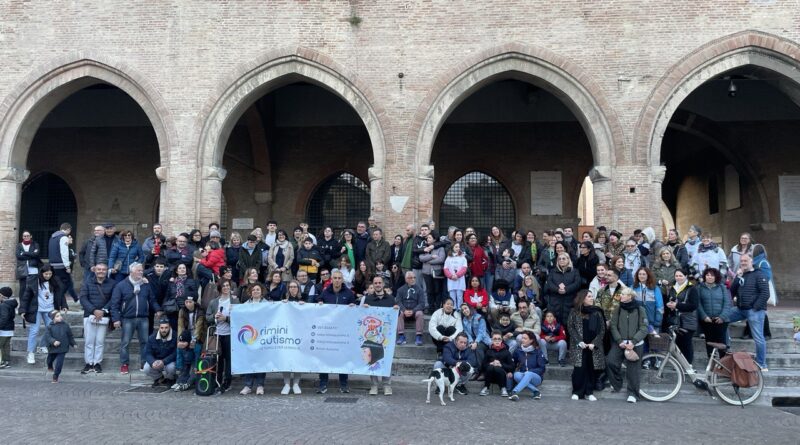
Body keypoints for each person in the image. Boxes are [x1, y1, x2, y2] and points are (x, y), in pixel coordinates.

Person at [722, 254, 770, 370]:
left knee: (758, 338)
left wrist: (755, 307)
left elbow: (765, 293)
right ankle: (727, 345)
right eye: (741, 261)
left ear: (751, 261)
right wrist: (738, 276)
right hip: (740, 309)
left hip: (755, 311)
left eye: (745, 260)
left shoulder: (759, 274)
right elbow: (732, 291)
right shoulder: (742, 275)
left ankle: (761, 364)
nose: (743, 263)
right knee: (722, 319)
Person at [111, 263, 160, 374]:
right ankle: (124, 364)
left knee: (145, 342)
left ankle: (144, 362)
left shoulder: (145, 285)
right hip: (127, 318)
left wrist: (157, 309)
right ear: (131, 272)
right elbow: (114, 304)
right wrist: (116, 319)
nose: (141, 272)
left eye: (141, 271)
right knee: (125, 342)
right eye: (138, 271)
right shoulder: (121, 285)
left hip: (143, 318)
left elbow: (152, 299)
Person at [316, 269, 357, 393]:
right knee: (324, 357)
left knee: (343, 358)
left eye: (339, 278)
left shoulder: (349, 293)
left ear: (342, 280)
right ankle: (323, 384)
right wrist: (319, 303)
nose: (337, 280)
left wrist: (353, 306)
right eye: (335, 278)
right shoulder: (325, 293)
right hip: (327, 332)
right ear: (331, 279)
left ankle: (343, 385)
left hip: (343, 332)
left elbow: (355, 311)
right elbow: (317, 305)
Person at [605, 288, 648, 403]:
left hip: (636, 343)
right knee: (610, 361)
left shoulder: (640, 309)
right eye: (621, 294)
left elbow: (644, 328)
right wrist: (619, 341)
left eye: (623, 294)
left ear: (630, 296)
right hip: (620, 342)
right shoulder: (617, 309)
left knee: (633, 370)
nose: (621, 296)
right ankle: (617, 383)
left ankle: (633, 394)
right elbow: (613, 326)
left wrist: (633, 342)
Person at [20, 264, 65, 364]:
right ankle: (30, 353)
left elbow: (60, 294)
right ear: (41, 273)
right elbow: (26, 296)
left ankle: (42, 345)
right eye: (46, 274)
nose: (48, 276)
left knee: (51, 328)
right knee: (34, 330)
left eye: (50, 274)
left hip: (50, 309)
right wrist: (22, 309)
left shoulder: (55, 281)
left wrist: (64, 305)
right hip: (37, 309)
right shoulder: (34, 281)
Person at [362, 276, 399, 395]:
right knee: (373, 359)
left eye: (379, 283)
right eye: (375, 283)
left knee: (386, 359)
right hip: (372, 335)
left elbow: (394, 318)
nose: (377, 284)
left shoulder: (391, 299)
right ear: (373, 284)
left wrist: (396, 310)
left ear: (383, 284)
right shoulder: (368, 299)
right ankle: (374, 385)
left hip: (386, 335)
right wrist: (363, 309)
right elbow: (362, 317)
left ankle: (387, 385)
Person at [568, 290, 605, 401]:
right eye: (589, 296)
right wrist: (579, 341)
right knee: (579, 369)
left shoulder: (597, 312)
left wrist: (595, 343)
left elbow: (602, 330)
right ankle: (577, 392)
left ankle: (589, 392)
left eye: (592, 296)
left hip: (592, 346)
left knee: (591, 369)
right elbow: (571, 327)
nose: (591, 298)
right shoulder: (574, 312)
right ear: (583, 298)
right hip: (580, 346)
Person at [78, 263, 115, 374]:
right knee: (89, 341)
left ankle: (97, 363)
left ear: (107, 271)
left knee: (100, 341)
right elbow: (83, 298)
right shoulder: (87, 282)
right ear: (94, 270)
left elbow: (113, 299)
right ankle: (89, 363)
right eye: (99, 269)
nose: (101, 271)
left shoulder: (112, 283)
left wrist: (103, 311)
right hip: (89, 315)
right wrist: (94, 310)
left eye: (103, 269)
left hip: (104, 317)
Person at [206, 279, 239, 391]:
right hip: (217, 334)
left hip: (230, 334)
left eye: (227, 285)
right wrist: (215, 317)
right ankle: (217, 380)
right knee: (218, 359)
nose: (226, 288)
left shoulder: (235, 301)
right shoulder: (214, 302)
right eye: (223, 286)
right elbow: (207, 317)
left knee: (228, 359)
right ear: (220, 288)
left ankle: (227, 382)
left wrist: (226, 319)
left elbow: (239, 318)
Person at [172, 295, 206, 391]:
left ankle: (191, 378)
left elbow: (199, 327)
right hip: (186, 335)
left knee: (196, 350)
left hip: (198, 337)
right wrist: (180, 340)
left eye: (190, 302)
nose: (188, 304)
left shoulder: (199, 311)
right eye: (186, 302)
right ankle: (181, 377)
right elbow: (180, 326)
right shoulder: (182, 311)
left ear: (194, 302)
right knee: (180, 350)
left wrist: (193, 340)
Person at [664, 269, 698, 365]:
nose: (678, 278)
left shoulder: (692, 288)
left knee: (686, 344)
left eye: (681, 276)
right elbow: (671, 300)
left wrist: (677, 305)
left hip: (688, 321)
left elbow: (693, 305)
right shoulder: (672, 288)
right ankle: (680, 365)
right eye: (676, 276)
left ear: (686, 276)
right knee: (678, 344)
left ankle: (688, 366)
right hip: (676, 320)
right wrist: (669, 305)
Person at [697, 267, 731, 358]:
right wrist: (704, 316)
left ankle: (723, 363)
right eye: (707, 275)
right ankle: (711, 363)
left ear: (716, 277)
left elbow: (727, 303)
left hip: (721, 320)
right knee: (709, 342)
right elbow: (698, 304)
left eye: (712, 275)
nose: (709, 277)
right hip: (707, 320)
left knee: (722, 343)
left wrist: (722, 317)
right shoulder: (700, 287)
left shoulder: (722, 287)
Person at [240, 283, 268, 395]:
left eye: (258, 289)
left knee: (261, 360)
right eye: (253, 290)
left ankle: (260, 385)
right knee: (249, 360)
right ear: (250, 292)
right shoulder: (245, 305)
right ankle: (248, 385)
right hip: (249, 335)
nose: (256, 291)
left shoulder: (268, 305)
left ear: (261, 291)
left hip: (262, 336)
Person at [508, 330, 546, 401]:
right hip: (523, 375)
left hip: (536, 377)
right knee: (516, 375)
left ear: (531, 340)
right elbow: (513, 364)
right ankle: (536, 391)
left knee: (528, 374)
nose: (522, 340)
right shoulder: (518, 351)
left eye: (525, 338)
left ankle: (515, 392)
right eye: (522, 338)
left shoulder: (538, 351)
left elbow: (542, 368)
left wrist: (530, 372)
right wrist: (509, 371)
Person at [544, 253, 581, 325]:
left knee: (568, 323)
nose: (561, 260)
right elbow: (549, 283)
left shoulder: (574, 271)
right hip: (555, 301)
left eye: (564, 258)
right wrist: (557, 289)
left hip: (570, 301)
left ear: (568, 260)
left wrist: (566, 289)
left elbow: (577, 283)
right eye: (559, 259)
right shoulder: (553, 271)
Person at [42, 310, 76, 383]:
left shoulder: (65, 325)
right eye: (57, 316)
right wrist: (53, 341)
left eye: (60, 315)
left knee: (59, 363)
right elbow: (47, 336)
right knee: (50, 359)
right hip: (53, 347)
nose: (60, 317)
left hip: (63, 347)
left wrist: (73, 343)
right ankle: (50, 366)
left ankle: (56, 376)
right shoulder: (49, 327)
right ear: (53, 318)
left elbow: (70, 335)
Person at [143, 318, 178, 387]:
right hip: (156, 361)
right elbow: (147, 353)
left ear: (169, 327)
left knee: (171, 368)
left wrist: (164, 361)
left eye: (166, 327)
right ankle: (159, 378)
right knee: (146, 368)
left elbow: (176, 353)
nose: (164, 330)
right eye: (162, 328)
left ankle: (171, 379)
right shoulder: (152, 338)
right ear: (159, 328)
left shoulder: (175, 336)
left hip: (169, 361)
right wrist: (152, 362)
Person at [395, 271, 426, 346]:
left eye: (414, 277)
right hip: (404, 311)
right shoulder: (400, 290)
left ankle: (419, 336)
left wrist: (413, 311)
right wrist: (404, 310)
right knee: (399, 312)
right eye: (410, 278)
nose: (413, 279)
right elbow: (398, 302)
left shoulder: (420, 290)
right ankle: (401, 336)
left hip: (415, 311)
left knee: (420, 313)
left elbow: (422, 304)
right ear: (406, 279)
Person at [460, 303, 490, 380]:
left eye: (466, 308)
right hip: (473, 340)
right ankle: (475, 371)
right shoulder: (464, 320)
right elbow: (467, 332)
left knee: (478, 348)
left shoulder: (479, 317)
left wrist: (476, 342)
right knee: (469, 349)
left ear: (470, 308)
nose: (464, 311)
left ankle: (482, 371)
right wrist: (471, 342)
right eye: (463, 310)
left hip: (483, 340)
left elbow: (482, 333)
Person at [163, 263, 198, 329]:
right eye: (180, 268)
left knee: (185, 329)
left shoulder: (192, 281)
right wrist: (164, 306)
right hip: (173, 308)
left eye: (184, 268)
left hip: (185, 308)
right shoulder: (172, 282)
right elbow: (167, 295)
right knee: (174, 329)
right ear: (176, 271)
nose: (182, 269)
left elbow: (195, 295)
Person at [481, 331, 514, 396]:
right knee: (491, 367)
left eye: (499, 339)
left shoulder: (507, 352)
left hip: (502, 375)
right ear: (492, 340)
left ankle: (503, 388)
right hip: (490, 376)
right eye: (495, 339)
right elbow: (483, 366)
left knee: (497, 367)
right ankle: (486, 387)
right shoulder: (488, 351)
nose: (497, 341)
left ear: (502, 340)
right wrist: (490, 363)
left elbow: (512, 367)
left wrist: (501, 365)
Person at [631, 267, 663, 335]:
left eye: (644, 274)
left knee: (653, 343)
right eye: (639, 274)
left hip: (652, 322)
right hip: (637, 322)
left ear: (648, 275)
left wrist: (658, 321)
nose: (641, 276)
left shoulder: (655, 288)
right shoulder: (633, 287)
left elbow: (660, 306)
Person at [47, 223, 73, 305]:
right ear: (68, 229)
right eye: (69, 231)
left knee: (56, 284)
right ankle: (58, 302)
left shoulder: (52, 237)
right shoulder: (63, 237)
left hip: (52, 264)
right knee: (66, 284)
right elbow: (64, 252)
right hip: (61, 265)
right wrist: (67, 266)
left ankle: (58, 301)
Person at [419, 233, 445, 311]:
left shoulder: (440, 248)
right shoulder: (425, 248)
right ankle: (430, 308)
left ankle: (437, 308)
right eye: (427, 238)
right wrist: (431, 257)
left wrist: (429, 262)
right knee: (429, 291)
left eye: (429, 238)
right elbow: (421, 258)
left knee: (437, 290)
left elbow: (441, 259)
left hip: (436, 272)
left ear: (434, 239)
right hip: (426, 272)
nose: (427, 239)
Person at [16, 230, 42, 305]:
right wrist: (31, 254)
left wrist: (24, 253)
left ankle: (32, 304)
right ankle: (22, 305)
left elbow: (36, 254)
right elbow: (18, 256)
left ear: (31, 236)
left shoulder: (35, 244)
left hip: (33, 269)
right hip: (22, 269)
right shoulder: (19, 245)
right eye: (24, 236)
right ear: (22, 237)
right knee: (23, 289)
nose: (26, 237)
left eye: (27, 236)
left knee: (33, 288)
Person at [443, 242, 468, 309]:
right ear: (452, 248)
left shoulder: (462, 257)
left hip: (459, 280)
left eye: (458, 247)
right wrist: (451, 276)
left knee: (459, 296)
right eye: (456, 247)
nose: (458, 248)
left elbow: (464, 268)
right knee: (452, 296)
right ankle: (453, 309)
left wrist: (457, 275)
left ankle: (460, 309)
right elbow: (445, 268)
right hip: (451, 281)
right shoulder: (448, 258)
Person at [0, 288, 17, 368]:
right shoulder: (11, 304)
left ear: (3, 296)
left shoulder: (4, 305)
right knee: (6, 346)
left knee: (1, 346)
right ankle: (6, 361)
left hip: (3, 329)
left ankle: (2, 362)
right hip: (9, 328)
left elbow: (4, 318)